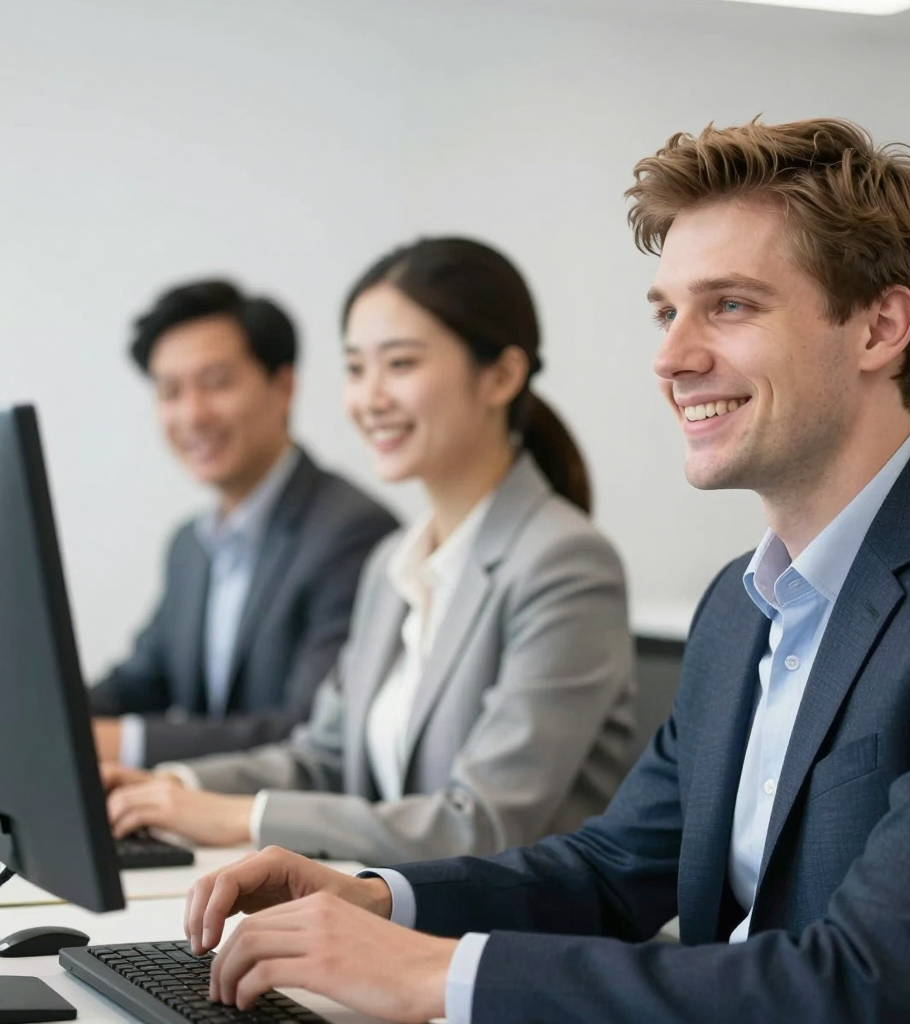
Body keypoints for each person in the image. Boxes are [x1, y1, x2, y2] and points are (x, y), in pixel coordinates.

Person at [181, 119, 910, 1024]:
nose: (671, 356)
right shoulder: (741, 604)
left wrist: (434, 977)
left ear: (880, 327)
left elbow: (864, 984)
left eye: (730, 305)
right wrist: (383, 901)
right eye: (667, 312)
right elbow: (617, 866)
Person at [102, 238, 637, 865]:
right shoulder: (393, 564)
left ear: (502, 376)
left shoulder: (565, 563)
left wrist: (238, 816)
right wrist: (173, 788)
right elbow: (324, 758)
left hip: (509, 946)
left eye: (400, 364)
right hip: (389, 921)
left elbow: (482, 825)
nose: (370, 398)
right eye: (356, 369)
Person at [89, 279, 398, 767]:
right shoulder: (190, 545)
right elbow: (140, 681)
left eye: (216, 383)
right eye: (170, 392)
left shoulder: (352, 532)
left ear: (283, 387)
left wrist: (126, 743)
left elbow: (310, 728)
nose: (193, 414)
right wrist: (44, 715)